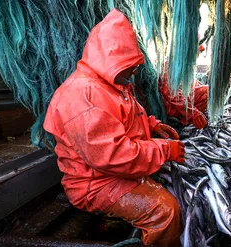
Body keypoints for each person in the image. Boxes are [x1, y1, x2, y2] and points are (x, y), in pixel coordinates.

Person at [43, 9, 183, 247]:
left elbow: (126, 117)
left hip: (110, 173)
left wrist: (154, 125)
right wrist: (164, 150)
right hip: (96, 183)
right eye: (130, 64)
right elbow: (111, 155)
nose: (135, 69)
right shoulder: (82, 95)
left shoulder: (111, 84)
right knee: (164, 211)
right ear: (111, 59)